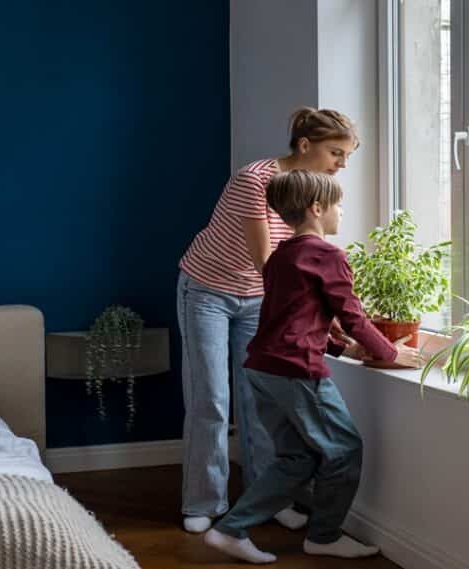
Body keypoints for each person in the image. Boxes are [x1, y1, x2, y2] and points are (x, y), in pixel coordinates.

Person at [203, 170, 424, 563]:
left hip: (261, 368)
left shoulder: (280, 256)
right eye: (339, 205)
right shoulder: (327, 255)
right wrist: (390, 353)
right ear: (317, 208)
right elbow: (352, 317)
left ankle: (230, 529)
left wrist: (344, 349)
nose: (342, 212)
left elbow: (295, 318)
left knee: (297, 458)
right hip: (295, 371)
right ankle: (323, 535)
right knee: (344, 449)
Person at [177, 108, 361, 533]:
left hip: (261, 297)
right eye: (336, 152)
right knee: (211, 399)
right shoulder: (255, 180)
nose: (341, 164)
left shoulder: (315, 189)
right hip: (208, 290)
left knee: (260, 400)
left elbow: (306, 261)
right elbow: (268, 262)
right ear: (305, 145)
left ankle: (265, 499)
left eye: (347, 156)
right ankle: (203, 502)